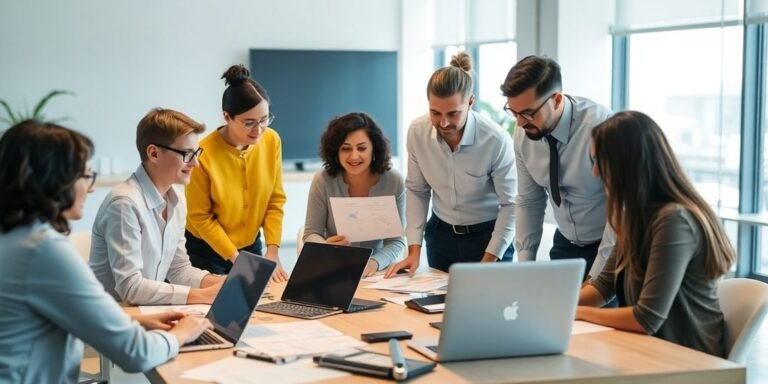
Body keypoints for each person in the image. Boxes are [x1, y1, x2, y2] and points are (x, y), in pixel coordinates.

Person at [0, 120, 210, 383]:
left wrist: (135, 321)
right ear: (54, 179)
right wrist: (181, 334)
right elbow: (136, 353)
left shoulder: (17, 239)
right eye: (86, 176)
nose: (90, 187)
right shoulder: (44, 251)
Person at [576, 111, 736, 357]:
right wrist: (553, 304)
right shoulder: (636, 217)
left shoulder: (674, 220)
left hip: (688, 361)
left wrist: (574, 311)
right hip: (651, 350)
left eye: (599, 161)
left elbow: (646, 318)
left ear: (626, 164)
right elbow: (603, 287)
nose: (595, 172)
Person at [385, 52, 516, 277]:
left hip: (489, 237)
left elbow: (511, 205)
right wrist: (414, 249)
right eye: (435, 113)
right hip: (441, 235)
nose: (443, 123)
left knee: (490, 308)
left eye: (453, 114)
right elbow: (417, 190)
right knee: (437, 308)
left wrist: (488, 262)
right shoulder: (417, 132)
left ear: (470, 102)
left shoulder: (495, 140)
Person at [90, 108, 224, 305]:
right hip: (114, 318)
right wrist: (203, 296)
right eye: (187, 154)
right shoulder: (124, 203)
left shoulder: (176, 200)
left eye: (196, 153)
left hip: (145, 314)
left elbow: (178, 269)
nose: (195, 163)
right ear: (154, 153)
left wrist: (219, 283)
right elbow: (130, 288)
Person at [501, 55, 614, 280]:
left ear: (557, 100)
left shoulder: (601, 128)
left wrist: (596, 280)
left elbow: (619, 211)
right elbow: (529, 200)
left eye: (528, 113)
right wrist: (525, 268)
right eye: (514, 113)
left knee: (595, 314)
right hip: (565, 244)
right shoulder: (524, 132)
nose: (520, 123)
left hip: (610, 245)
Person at [186, 64, 288, 281]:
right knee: (212, 310)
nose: (259, 130)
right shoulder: (203, 155)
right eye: (249, 123)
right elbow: (200, 217)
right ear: (227, 117)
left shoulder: (271, 140)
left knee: (258, 307)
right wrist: (235, 257)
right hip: (206, 251)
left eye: (264, 119)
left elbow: (274, 201)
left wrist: (273, 250)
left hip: (250, 246)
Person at [303, 112, 406, 276]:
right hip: (333, 268)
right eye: (346, 148)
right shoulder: (323, 180)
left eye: (362, 148)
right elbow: (310, 234)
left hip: (375, 273)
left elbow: (396, 241)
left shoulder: (394, 181)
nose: (354, 156)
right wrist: (325, 247)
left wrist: (374, 263)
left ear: (374, 149)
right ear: (336, 151)